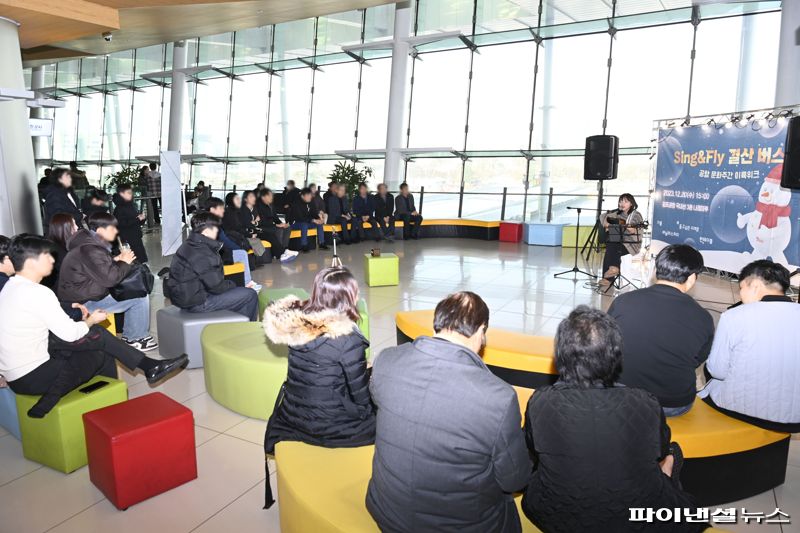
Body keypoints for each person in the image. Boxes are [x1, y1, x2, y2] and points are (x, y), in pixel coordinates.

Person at [521, 306, 701, 533]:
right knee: (673, 453)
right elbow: (660, 449)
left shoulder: (541, 401)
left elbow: (530, 449)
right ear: (614, 355)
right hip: (634, 516)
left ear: (562, 355)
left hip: (556, 513)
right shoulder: (645, 402)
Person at [367, 292, 530, 533]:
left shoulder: (386, 360)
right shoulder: (498, 397)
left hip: (386, 511)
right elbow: (515, 480)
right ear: (480, 330)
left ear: (439, 323)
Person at [0, 235, 186, 417]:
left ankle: (148, 368)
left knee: (95, 338)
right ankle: (112, 411)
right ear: (31, 262)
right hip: (37, 377)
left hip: (16, 377)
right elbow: (71, 334)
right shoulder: (38, 293)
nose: (52, 259)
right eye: (46, 255)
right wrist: (90, 320)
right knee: (101, 347)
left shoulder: (10, 287)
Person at [608, 244, 713, 417]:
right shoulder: (703, 317)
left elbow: (607, 343)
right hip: (673, 403)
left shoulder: (623, 301)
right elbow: (697, 359)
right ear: (692, 278)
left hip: (623, 394)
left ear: (656, 270)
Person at [699, 260, 800, 432]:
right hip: (794, 418)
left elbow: (717, 371)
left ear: (755, 285)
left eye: (741, 288)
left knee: (710, 376)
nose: (741, 295)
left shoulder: (734, 316)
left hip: (741, 410)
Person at [58, 212, 158, 352]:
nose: (116, 231)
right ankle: (135, 338)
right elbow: (111, 279)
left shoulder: (87, 244)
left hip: (82, 295)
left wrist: (116, 260)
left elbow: (97, 268)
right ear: (100, 231)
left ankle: (132, 334)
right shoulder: (90, 249)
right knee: (139, 296)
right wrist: (124, 262)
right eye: (112, 228)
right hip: (84, 303)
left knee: (132, 291)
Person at [166, 212, 259, 321]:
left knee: (237, 293)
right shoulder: (203, 252)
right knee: (250, 295)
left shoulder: (188, 244)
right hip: (197, 303)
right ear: (206, 232)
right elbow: (217, 288)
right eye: (216, 229)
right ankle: (248, 329)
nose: (218, 232)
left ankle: (236, 323)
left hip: (184, 297)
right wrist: (236, 285)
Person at [206, 197, 260, 288]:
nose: (223, 210)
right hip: (215, 254)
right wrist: (238, 248)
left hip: (213, 251)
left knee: (242, 250)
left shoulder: (205, 220)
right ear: (212, 209)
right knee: (242, 253)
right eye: (221, 208)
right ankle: (248, 283)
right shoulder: (213, 223)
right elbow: (224, 240)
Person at [599, 193, 644, 285]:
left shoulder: (635, 215)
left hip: (631, 244)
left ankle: (609, 278)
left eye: (625, 201)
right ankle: (613, 269)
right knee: (611, 244)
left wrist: (623, 226)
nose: (622, 204)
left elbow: (633, 230)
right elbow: (602, 216)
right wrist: (607, 224)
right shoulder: (617, 213)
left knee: (611, 246)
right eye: (620, 201)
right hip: (617, 242)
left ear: (631, 203)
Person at [256, 188, 298, 263]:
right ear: (263, 197)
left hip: (271, 226)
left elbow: (275, 218)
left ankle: (285, 248)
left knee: (287, 228)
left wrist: (282, 224)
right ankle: (278, 254)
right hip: (264, 227)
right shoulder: (259, 206)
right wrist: (276, 225)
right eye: (269, 195)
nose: (272, 197)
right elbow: (262, 222)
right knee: (279, 230)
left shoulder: (271, 205)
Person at [42, 213, 79, 292]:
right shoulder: (60, 252)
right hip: (66, 294)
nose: (77, 227)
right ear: (65, 228)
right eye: (74, 224)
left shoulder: (56, 246)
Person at [113, 184, 148, 264]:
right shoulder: (119, 209)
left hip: (136, 235)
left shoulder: (131, 205)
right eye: (128, 193)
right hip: (127, 237)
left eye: (131, 192)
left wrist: (142, 219)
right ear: (121, 194)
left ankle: (143, 270)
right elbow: (121, 224)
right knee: (134, 259)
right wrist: (137, 220)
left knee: (141, 256)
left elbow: (136, 220)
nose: (131, 194)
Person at [287, 188, 328, 252]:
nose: (310, 198)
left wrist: (319, 219)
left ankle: (321, 243)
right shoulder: (296, 203)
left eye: (310, 196)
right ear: (302, 196)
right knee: (304, 225)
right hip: (295, 223)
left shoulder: (311, 201)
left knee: (319, 224)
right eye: (308, 196)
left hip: (308, 221)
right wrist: (313, 220)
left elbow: (314, 213)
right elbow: (300, 218)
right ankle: (304, 245)